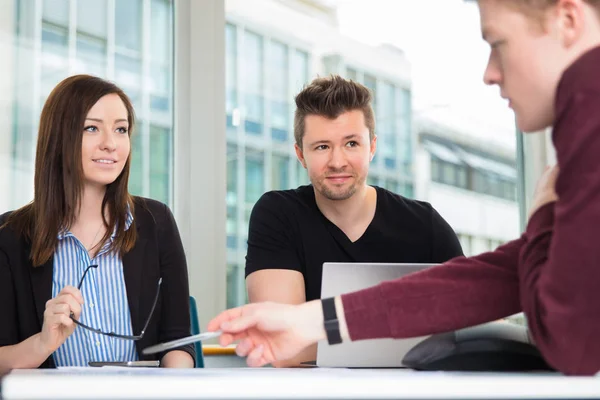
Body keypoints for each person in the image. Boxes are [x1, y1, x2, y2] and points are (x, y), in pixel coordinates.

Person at [209, 0, 600, 375]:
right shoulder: (583, 120)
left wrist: (545, 214)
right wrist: (311, 322)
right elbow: (499, 278)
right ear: (300, 153)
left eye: (497, 43)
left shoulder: (589, 115)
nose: (489, 73)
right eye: (322, 147)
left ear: (568, 20)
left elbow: (571, 339)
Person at [245, 75, 463, 366]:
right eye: (322, 147)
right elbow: (286, 346)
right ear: (300, 154)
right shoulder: (278, 215)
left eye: (351, 143)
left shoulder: (425, 225)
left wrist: (318, 334)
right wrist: (401, 336)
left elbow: (469, 329)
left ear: (372, 147)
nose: (337, 161)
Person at [0, 75, 194, 369]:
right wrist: (43, 343)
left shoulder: (157, 222)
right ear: (59, 137)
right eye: (92, 128)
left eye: (121, 130)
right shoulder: (9, 237)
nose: (110, 144)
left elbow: (178, 341)